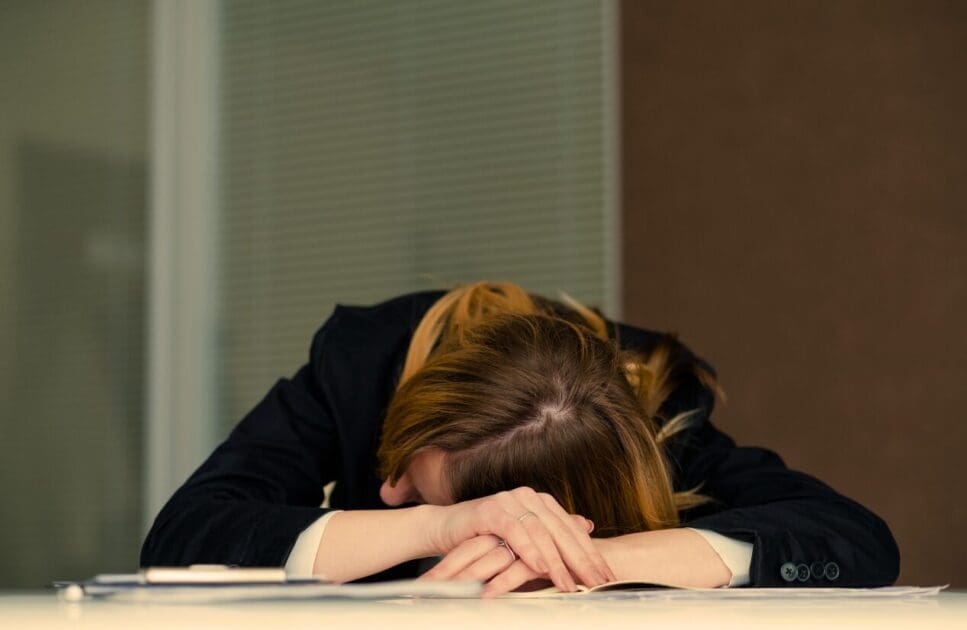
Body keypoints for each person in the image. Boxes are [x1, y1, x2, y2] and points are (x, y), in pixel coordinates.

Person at [141, 281, 900, 597]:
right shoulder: (357, 367)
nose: (387, 493)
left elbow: (853, 538)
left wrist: (585, 560)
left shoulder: (648, 405)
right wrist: (431, 525)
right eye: (407, 481)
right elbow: (182, 535)